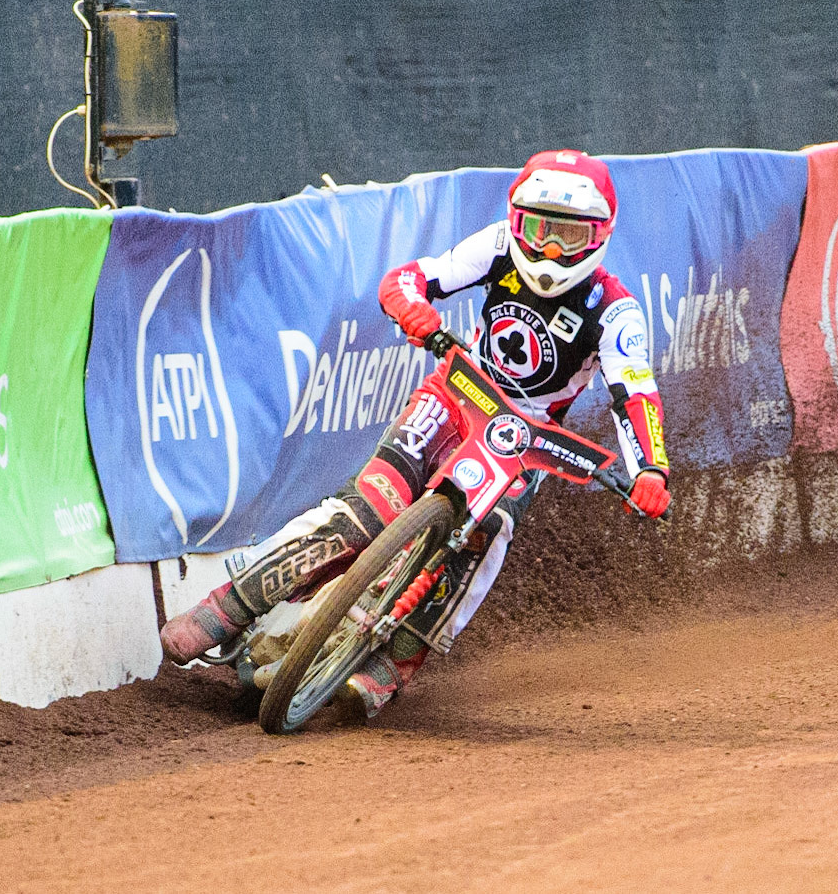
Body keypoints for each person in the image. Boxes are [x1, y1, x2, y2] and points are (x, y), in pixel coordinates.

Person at [159, 150, 671, 717]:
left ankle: (396, 663)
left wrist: (651, 468)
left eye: (568, 236)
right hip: (458, 394)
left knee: (485, 537)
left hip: (526, 440)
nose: (550, 250)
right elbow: (411, 278)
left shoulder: (616, 310)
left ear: (600, 236)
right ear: (517, 221)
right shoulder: (499, 244)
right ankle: (226, 608)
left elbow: (636, 393)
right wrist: (412, 309)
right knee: (369, 507)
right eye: (539, 229)